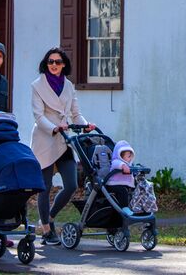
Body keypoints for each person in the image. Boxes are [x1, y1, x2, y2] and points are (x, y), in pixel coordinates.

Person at [30, 47, 92, 246]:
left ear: (64, 64)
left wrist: (85, 125)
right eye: (50, 62)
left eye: (57, 62)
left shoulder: (69, 85)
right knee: (45, 187)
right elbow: (38, 116)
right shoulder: (37, 86)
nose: (54, 65)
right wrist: (54, 127)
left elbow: (76, 113)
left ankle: (49, 218)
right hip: (45, 137)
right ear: (46, 64)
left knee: (72, 184)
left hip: (64, 139)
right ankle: (47, 231)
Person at [107, 140, 137, 215]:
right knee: (123, 191)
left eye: (131, 156)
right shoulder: (116, 161)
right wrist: (123, 166)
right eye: (128, 156)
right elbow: (117, 164)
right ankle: (125, 208)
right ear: (120, 156)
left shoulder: (129, 164)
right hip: (113, 184)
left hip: (122, 184)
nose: (130, 158)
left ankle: (137, 206)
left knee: (136, 188)